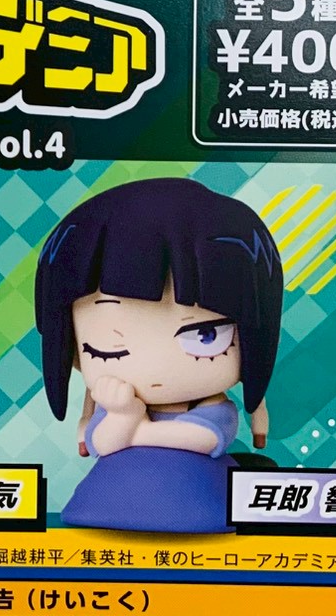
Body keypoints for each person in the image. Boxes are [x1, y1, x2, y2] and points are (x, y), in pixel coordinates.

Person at [34, 176, 283, 532]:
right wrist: (123, 414)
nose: (155, 367)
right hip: (106, 504)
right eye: (107, 349)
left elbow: (207, 439)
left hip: (201, 500)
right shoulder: (114, 402)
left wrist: (135, 430)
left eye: (205, 336)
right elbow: (103, 442)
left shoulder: (209, 405)